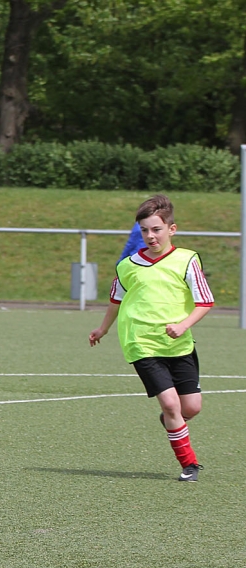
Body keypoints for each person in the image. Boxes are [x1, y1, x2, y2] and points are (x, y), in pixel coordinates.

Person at [89, 194, 214, 482]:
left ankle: (171, 421)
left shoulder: (187, 260)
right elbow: (116, 299)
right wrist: (103, 329)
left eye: (156, 229)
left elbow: (205, 302)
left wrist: (183, 325)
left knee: (191, 407)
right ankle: (189, 465)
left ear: (172, 229)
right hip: (141, 343)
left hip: (179, 343)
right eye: (144, 230)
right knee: (170, 404)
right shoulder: (128, 265)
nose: (150, 236)